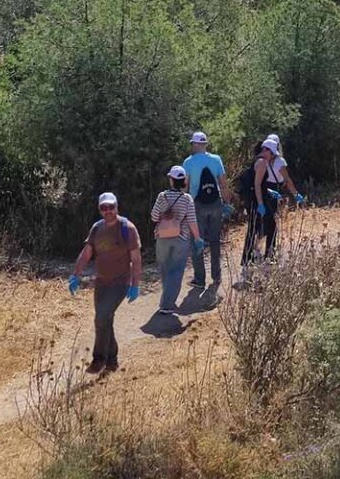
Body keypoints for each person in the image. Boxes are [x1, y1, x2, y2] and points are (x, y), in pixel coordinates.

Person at [69, 193, 142, 374]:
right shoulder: (96, 228)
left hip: (120, 283)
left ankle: (98, 359)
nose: (108, 211)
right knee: (105, 320)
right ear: (100, 209)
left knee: (101, 317)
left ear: (117, 207)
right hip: (101, 283)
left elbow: (136, 258)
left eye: (111, 207)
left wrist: (135, 285)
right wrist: (75, 275)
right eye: (104, 208)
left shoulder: (127, 228)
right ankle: (112, 360)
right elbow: (86, 253)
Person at [182, 132, 233, 299]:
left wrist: (183, 207)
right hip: (215, 203)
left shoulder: (188, 162)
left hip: (197, 204)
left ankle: (199, 279)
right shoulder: (216, 159)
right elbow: (223, 184)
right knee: (215, 240)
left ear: (195, 144)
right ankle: (216, 277)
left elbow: (185, 186)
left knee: (197, 240)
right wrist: (226, 203)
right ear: (205, 144)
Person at [151, 166, 205, 314]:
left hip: (162, 237)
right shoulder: (187, 199)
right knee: (176, 270)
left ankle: (166, 300)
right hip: (181, 238)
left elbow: (154, 217)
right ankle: (167, 304)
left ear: (171, 179)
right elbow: (192, 220)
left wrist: (164, 216)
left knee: (165, 269)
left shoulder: (162, 196)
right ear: (183, 181)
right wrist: (197, 238)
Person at [240, 139, 281, 268]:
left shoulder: (256, 161)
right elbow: (257, 184)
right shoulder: (262, 162)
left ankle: (248, 257)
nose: (272, 156)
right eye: (272, 153)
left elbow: (259, 184)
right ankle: (269, 255)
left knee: (255, 228)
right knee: (270, 226)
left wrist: (270, 192)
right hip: (257, 201)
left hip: (254, 199)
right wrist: (261, 204)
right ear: (266, 150)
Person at [264, 134, 305, 206]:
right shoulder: (280, 161)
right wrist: (296, 194)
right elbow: (287, 180)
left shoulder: (261, 160)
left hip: (264, 189)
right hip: (276, 189)